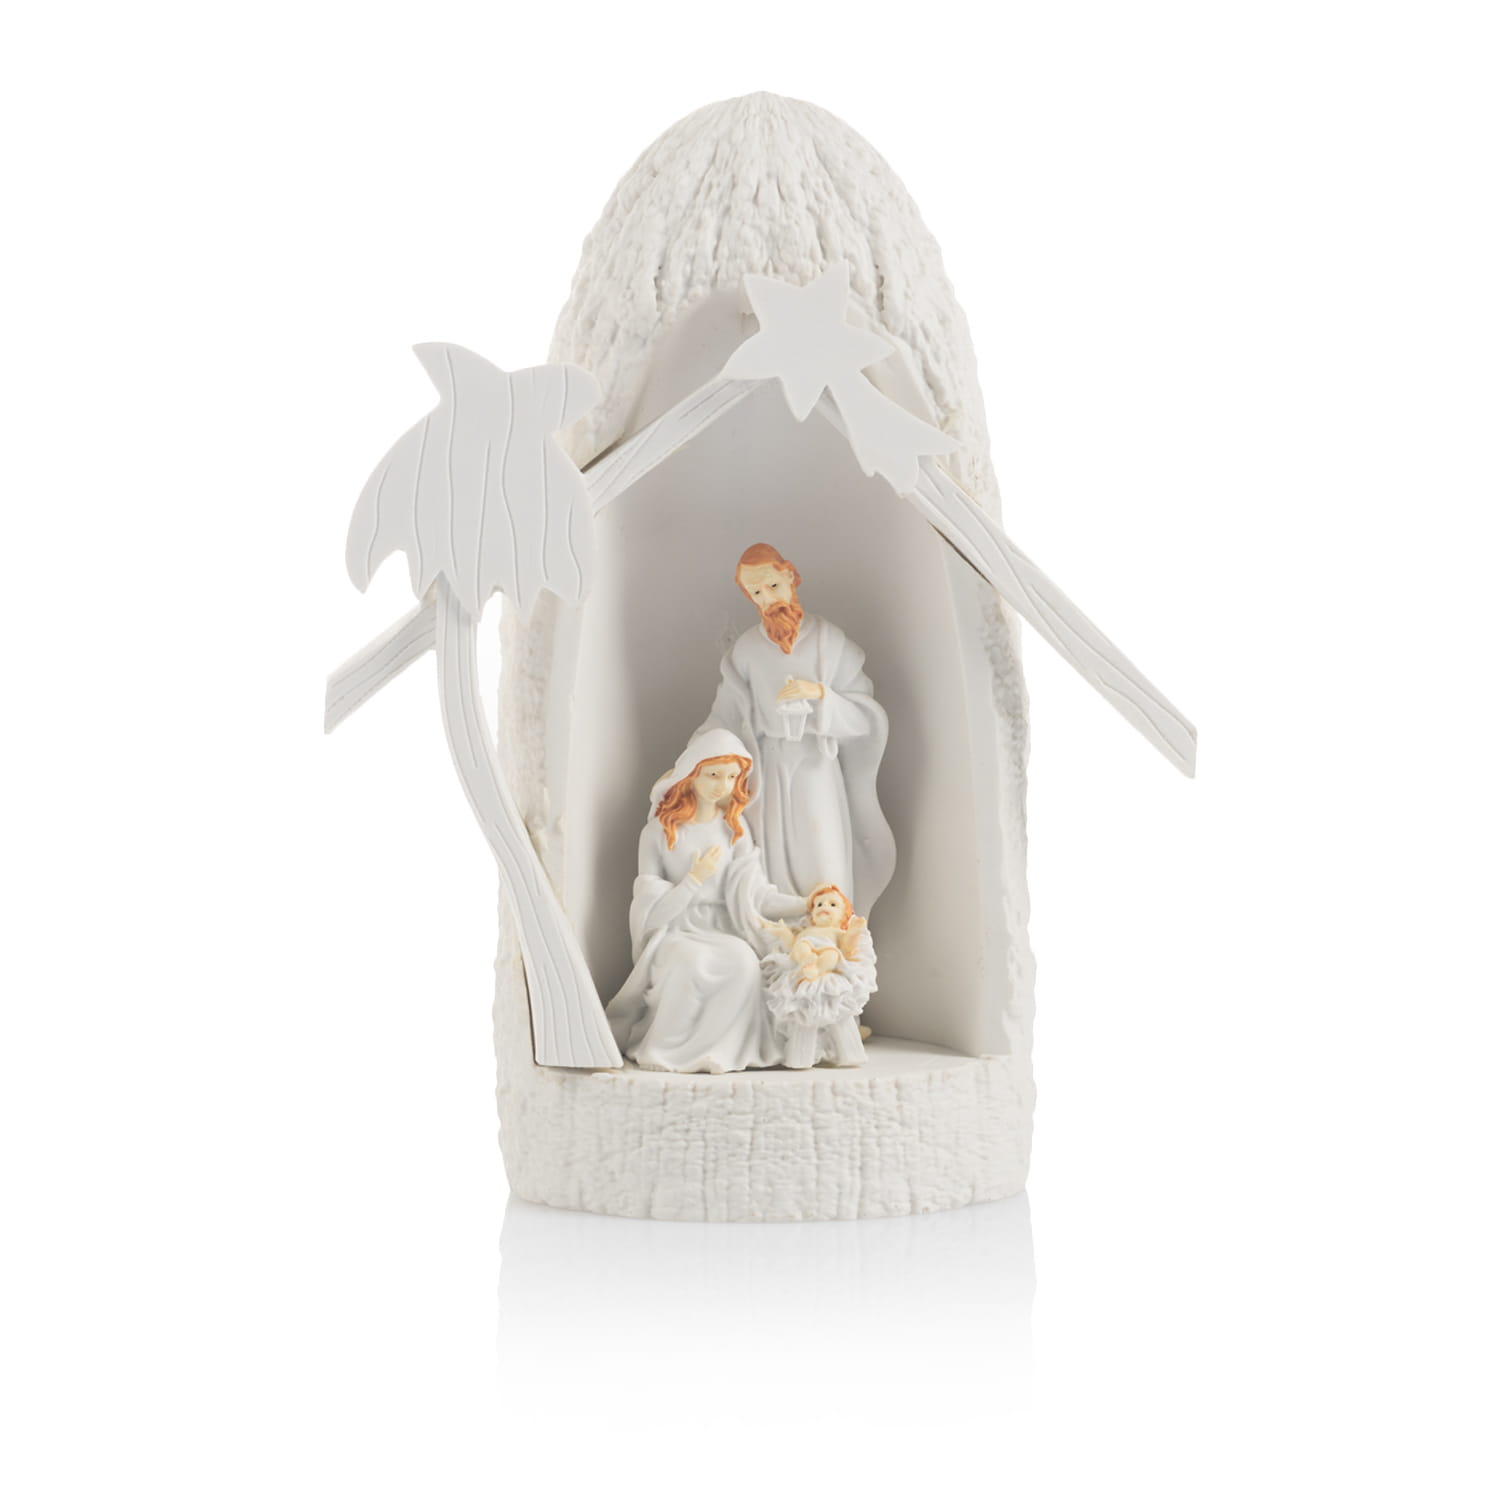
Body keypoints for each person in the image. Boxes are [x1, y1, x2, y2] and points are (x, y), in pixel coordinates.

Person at [696, 543, 895, 914]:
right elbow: (724, 718)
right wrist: (693, 762)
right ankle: (785, 936)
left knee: (822, 848)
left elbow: (865, 718)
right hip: (768, 769)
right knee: (773, 856)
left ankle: (831, 932)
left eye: (772, 586)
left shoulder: (829, 642)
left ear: (789, 575)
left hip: (816, 766)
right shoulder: (746, 651)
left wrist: (821, 696)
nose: (767, 599)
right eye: (756, 593)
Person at [605, 729, 805, 1073]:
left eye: (731, 777)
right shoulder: (657, 833)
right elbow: (650, 912)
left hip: (722, 929)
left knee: (743, 961)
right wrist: (693, 880)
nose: (722, 785)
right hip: (676, 931)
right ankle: (667, 1050)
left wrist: (805, 904)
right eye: (713, 774)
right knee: (690, 962)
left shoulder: (734, 829)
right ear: (691, 773)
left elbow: (756, 893)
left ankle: (725, 1050)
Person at [761, 885, 877, 1068]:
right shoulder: (805, 932)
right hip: (803, 976)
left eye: (833, 905)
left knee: (832, 956)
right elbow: (791, 945)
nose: (824, 907)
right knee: (803, 1014)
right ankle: (799, 1058)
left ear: (843, 916)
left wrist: (854, 932)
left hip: (829, 979)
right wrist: (783, 933)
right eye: (819, 904)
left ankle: (851, 1054)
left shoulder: (837, 932)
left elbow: (848, 949)